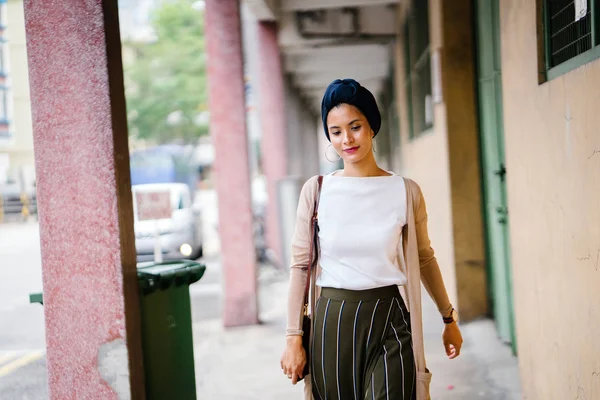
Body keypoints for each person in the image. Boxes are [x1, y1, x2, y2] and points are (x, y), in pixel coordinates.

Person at [280, 78, 463, 400]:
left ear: (372, 127)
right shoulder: (318, 190)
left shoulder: (405, 191)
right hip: (334, 321)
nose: (346, 139)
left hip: (390, 317)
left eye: (355, 127)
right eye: (336, 132)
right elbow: (300, 266)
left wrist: (449, 318)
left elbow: (424, 257)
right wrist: (294, 337)